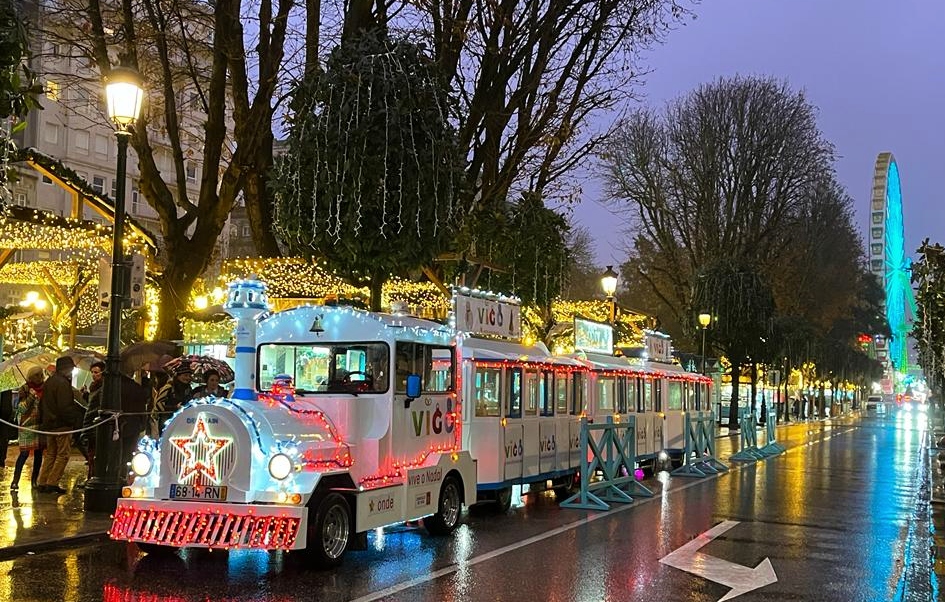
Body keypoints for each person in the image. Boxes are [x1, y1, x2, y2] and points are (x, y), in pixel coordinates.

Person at [37, 356, 82, 494]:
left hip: (49, 424)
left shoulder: (49, 382)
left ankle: (42, 481)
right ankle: (52, 482)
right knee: (63, 454)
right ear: (66, 369)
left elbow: (42, 404)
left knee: (51, 454)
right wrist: (72, 421)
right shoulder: (62, 383)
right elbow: (65, 407)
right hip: (61, 424)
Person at [10, 367, 45, 490]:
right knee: (24, 454)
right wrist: (31, 396)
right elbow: (21, 409)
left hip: (40, 426)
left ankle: (34, 480)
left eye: (41, 374)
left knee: (38, 454)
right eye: (37, 375)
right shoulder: (24, 389)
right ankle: (15, 480)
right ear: (31, 377)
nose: (40, 377)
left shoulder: (45, 389)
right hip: (26, 426)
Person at [78, 361, 105, 483]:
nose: (93, 375)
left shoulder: (102, 388)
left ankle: (92, 478)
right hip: (92, 425)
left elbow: (93, 407)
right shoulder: (94, 386)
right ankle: (90, 477)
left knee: (94, 454)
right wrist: (85, 395)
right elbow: (91, 404)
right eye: (92, 372)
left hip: (95, 426)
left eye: (96, 372)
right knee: (91, 454)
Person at [151, 364, 193, 436]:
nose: (188, 378)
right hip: (166, 421)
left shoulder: (188, 389)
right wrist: (175, 407)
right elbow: (158, 404)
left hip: (182, 421)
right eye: (185, 375)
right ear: (178, 375)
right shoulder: (169, 387)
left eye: (189, 375)